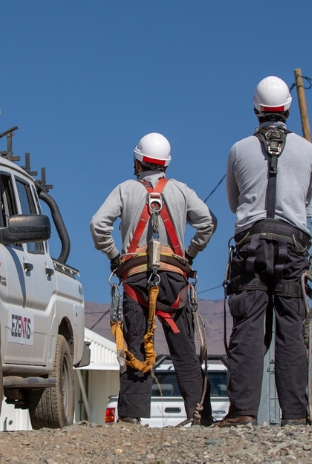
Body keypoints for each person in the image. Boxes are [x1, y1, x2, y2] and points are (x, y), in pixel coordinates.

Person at [90, 133, 217, 425]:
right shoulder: (181, 191)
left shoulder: (125, 190)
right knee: (184, 349)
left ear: (138, 162)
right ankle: (200, 416)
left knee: (136, 345)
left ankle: (132, 418)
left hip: (135, 281)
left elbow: (98, 225)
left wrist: (114, 257)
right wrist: (189, 254)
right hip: (174, 282)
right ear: (166, 164)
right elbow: (207, 223)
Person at [219, 76, 312, 427]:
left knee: (247, 325)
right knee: (292, 328)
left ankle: (243, 412)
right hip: (293, 247)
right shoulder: (306, 149)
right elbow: (307, 200)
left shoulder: (239, 149)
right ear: (288, 109)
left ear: (255, 109)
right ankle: (294, 415)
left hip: (251, 247)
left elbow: (234, 203)